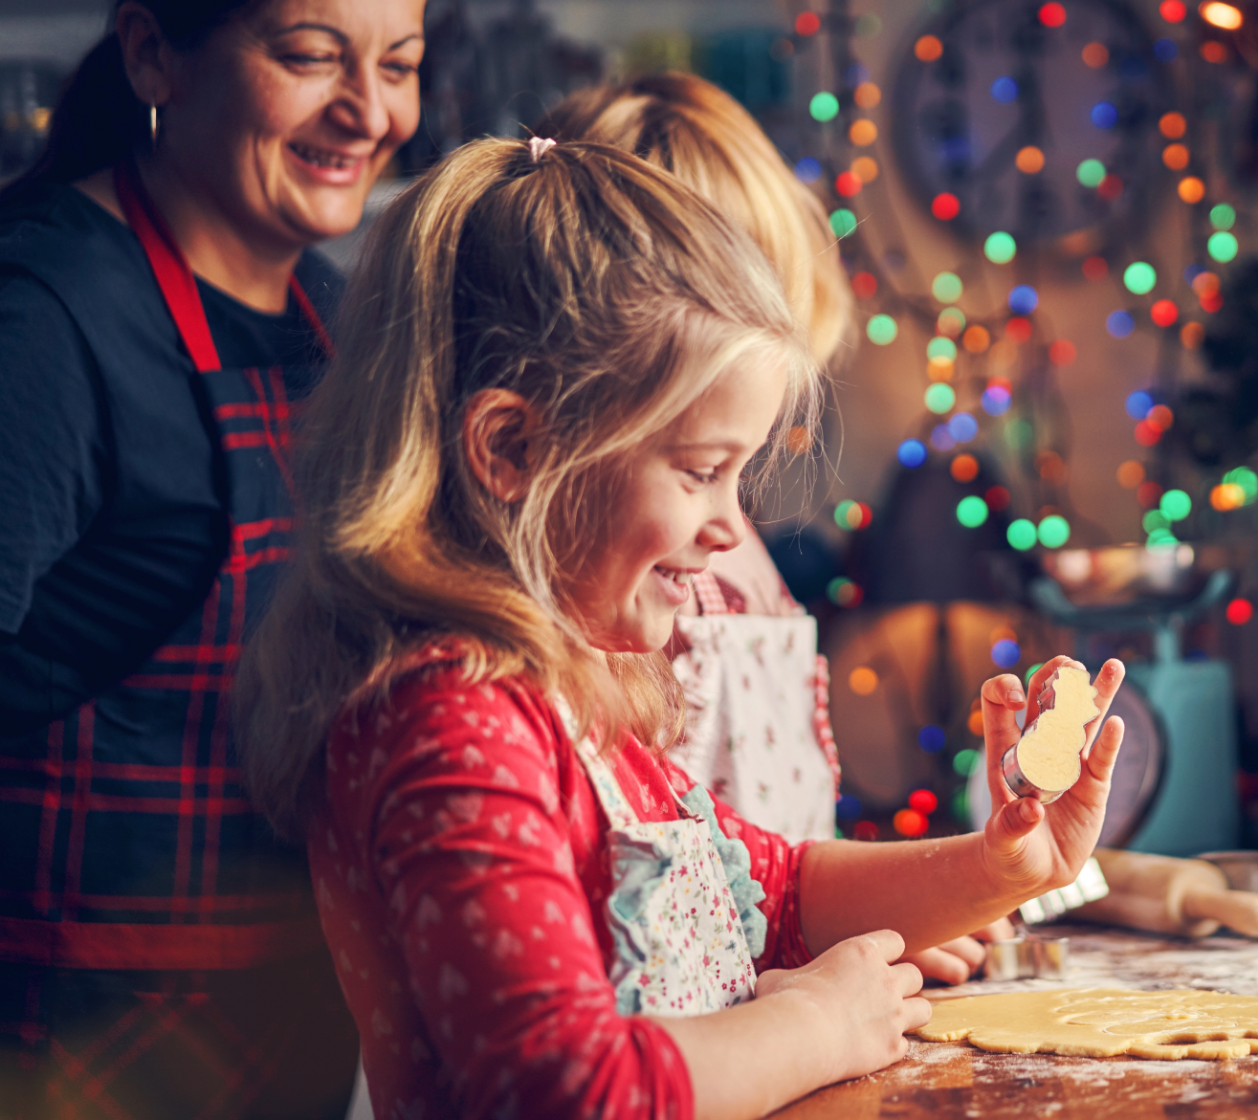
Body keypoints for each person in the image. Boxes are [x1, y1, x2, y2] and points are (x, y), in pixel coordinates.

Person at [233, 136, 1127, 1120]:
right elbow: (564, 1089)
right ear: (512, 448)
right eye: (701, 470)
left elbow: (778, 893)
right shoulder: (450, 722)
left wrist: (1002, 866)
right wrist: (815, 1027)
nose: (729, 524)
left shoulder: (573, 691)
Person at [0, 1, 423, 1116]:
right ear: (152, 52)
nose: (368, 111)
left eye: (401, 64)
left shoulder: (332, 317)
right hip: (69, 1048)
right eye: (309, 55)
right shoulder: (44, 319)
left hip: (281, 1032)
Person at [538, 75, 1010, 984]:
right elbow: (651, 907)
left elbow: (775, 861)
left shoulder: (714, 533)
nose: (720, 511)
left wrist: (940, 890)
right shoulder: (630, 581)